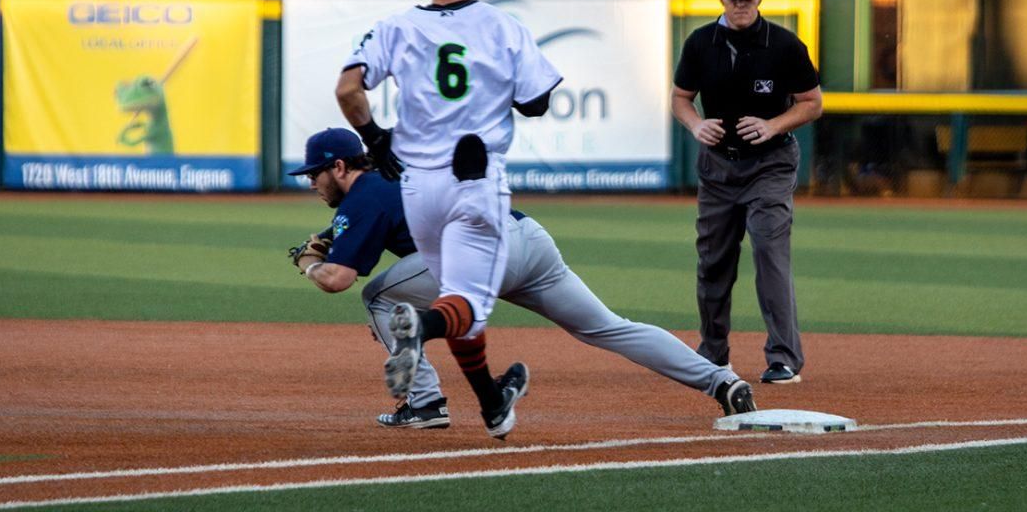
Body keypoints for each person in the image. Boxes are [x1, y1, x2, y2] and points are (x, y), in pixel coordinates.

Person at [287, 127, 757, 430]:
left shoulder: (361, 197)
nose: (312, 183)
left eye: (315, 174)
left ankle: (425, 404)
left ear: (340, 167)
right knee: (607, 326)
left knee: (376, 296)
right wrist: (333, 235)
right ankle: (721, 382)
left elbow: (337, 279)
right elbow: (385, 213)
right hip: (526, 239)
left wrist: (306, 263)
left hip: (475, 256)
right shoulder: (394, 173)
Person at [334, 0, 562, 439]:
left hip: (416, 186)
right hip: (474, 183)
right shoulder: (501, 25)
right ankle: (420, 328)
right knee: (464, 307)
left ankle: (492, 404)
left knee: (457, 299)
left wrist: (374, 137)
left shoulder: (393, 25)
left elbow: (348, 90)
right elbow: (537, 101)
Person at [670, 0, 823, 385]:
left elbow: (812, 102)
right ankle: (714, 354)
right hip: (718, 166)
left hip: (770, 163)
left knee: (769, 253)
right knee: (713, 261)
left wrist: (773, 125)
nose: (741, 4)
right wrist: (696, 124)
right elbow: (681, 98)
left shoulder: (784, 44)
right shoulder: (701, 43)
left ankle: (784, 357)